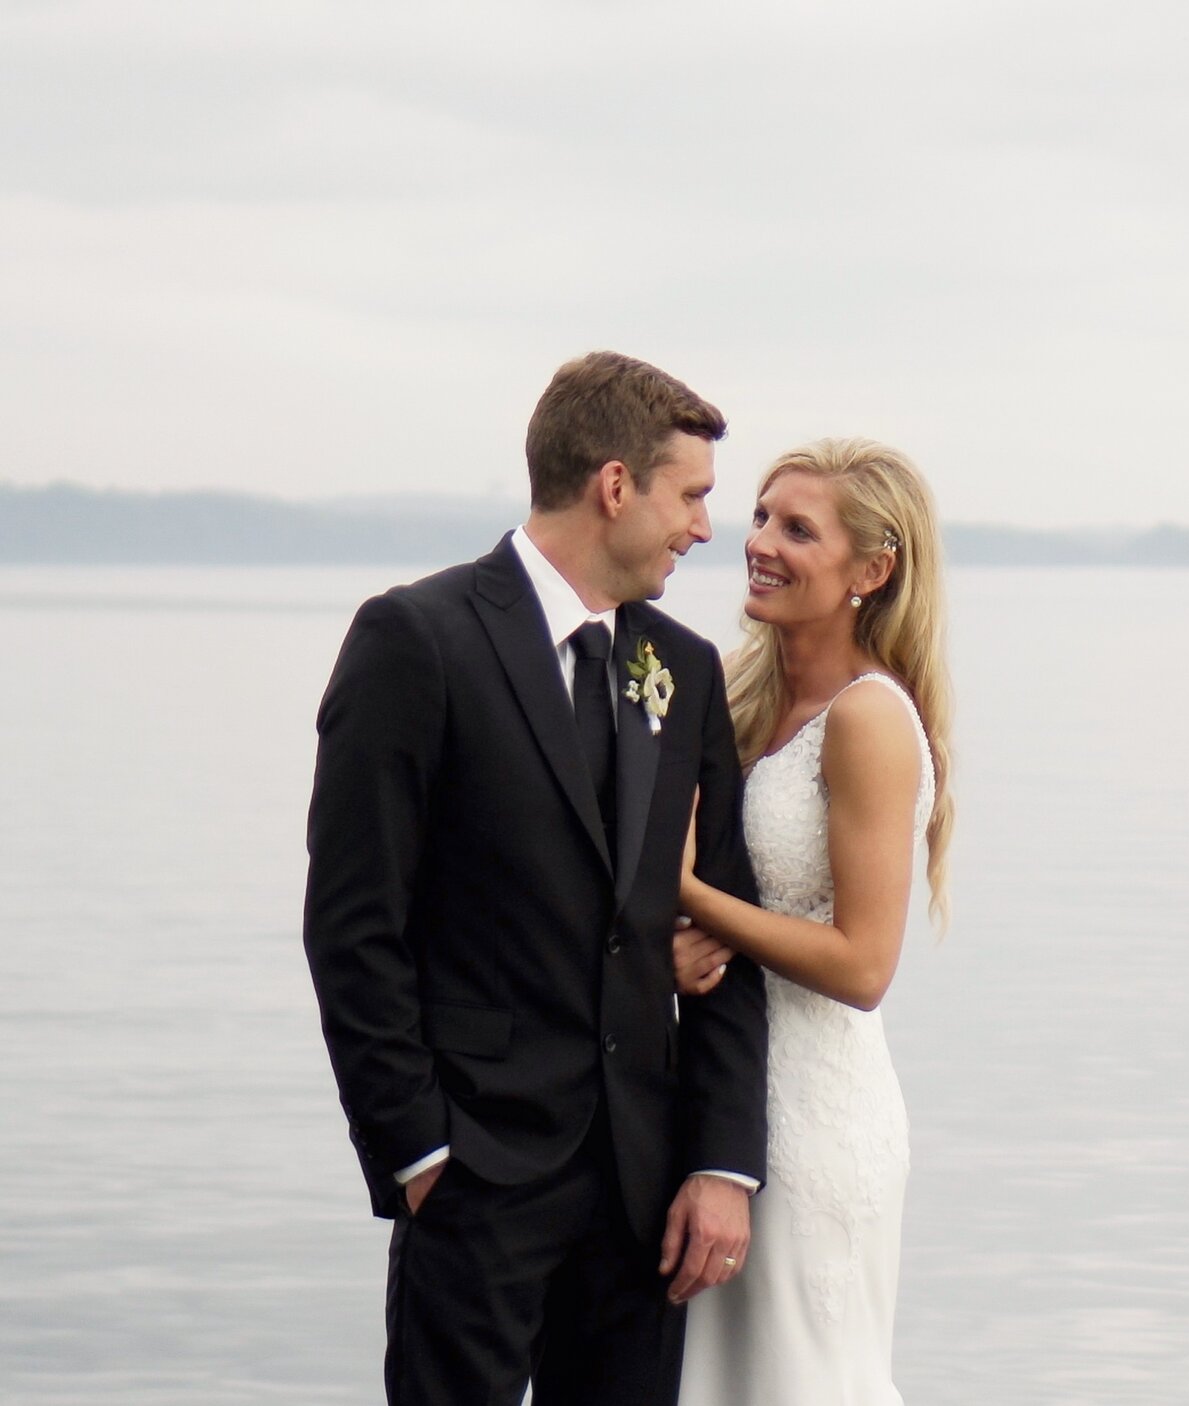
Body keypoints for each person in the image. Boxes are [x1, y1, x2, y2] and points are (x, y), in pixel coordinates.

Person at [302, 351, 770, 1405]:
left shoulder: (683, 670)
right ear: (616, 485)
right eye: (691, 495)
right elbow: (352, 927)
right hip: (473, 1174)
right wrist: (418, 1150)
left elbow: (731, 932)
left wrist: (722, 1160)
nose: (705, 527)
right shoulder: (416, 640)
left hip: (644, 1191)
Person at [674, 437, 955, 1406]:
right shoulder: (736, 691)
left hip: (815, 1116)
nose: (760, 541)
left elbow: (863, 962)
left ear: (870, 570)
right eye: (759, 515)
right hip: (719, 1093)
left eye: (798, 528)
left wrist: (701, 903)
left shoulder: (869, 716)